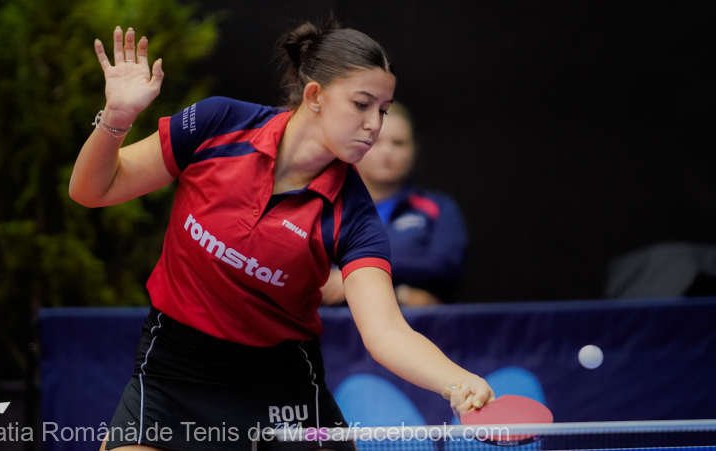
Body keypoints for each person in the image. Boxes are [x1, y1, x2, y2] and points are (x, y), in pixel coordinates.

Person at [69, 21, 493, 450]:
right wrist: (117, 120)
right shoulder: (219, 125)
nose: (374, 125)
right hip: (175, 372)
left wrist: (455, 381)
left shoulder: (353, 215)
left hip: (279, 389)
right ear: (314, 97)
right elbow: (91, 190)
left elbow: (385, 332)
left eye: (382, 110)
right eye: (362, 104)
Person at [321, 103, 468, 307]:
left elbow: (443, 265)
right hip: (329, 330)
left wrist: (350, 276)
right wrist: (404, 291)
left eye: (398, 143)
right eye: (376, 142)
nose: (387, 152)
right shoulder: (323, 205)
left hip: (412, 327)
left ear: (414, 150)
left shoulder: (439, 207)